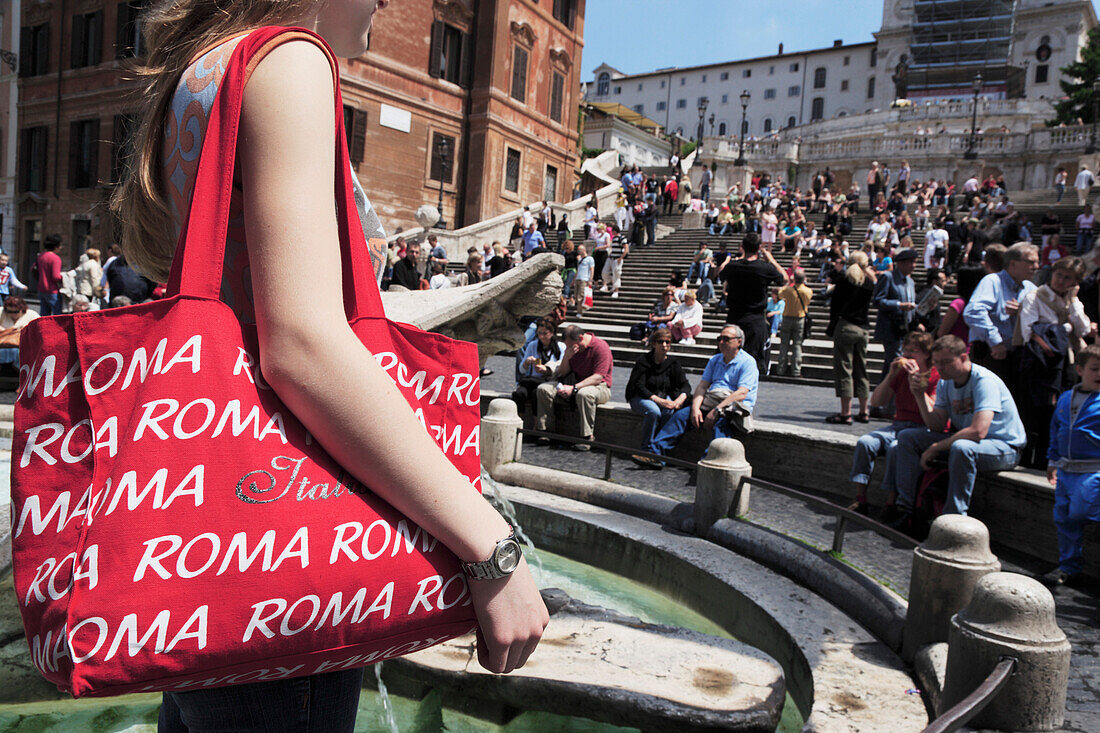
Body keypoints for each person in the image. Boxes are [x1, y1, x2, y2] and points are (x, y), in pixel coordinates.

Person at [110, 4, 547, 725]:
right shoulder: (291, 62)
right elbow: (304, 347)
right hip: (278, 565)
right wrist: (492, 547)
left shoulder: (205, 70)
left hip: (208, 557)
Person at [892, 336, 1026, 519]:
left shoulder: (984, 381)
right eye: (937, 362)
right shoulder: (946, 382)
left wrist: (935, 448)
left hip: (1004, 447)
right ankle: (905, 509)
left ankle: (953, 519)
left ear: (963, 357)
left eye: (946, 362)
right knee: (908, 437)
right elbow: (937, 425)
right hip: (973, 442)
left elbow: (978, 431)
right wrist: (919, 395)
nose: (940, 368)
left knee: (962, 448)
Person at [632, 325, 759, 468]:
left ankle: (710, 462)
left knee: (721, 425)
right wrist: (695, 408)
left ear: (739, 341)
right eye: (720, 339)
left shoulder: (747, 362)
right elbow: (702, 386)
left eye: (726, 339)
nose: (721, 342)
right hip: (712, 401)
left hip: (732, 406)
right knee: (680, 416)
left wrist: (716, 411)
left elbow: (742, 393)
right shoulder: (715, 360)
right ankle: (655, 455)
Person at [848, 332, 940, 516]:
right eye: (905, 350)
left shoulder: (936, 376)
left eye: (914, 351)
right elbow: (877, 401)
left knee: (896, 449)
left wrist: (917, 381)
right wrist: (890, 375)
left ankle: (891, 502)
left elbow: (934, 412)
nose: (907, 355)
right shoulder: (900, 373)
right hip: (898, 425)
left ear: (926, 354)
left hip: (921, 429)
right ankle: (861, 499)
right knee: (866, 442)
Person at [1015, 256, 1093, 467]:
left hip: (1064, 365)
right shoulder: (1036, 297)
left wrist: (1074, 301)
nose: (1061, 280)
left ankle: (1046, 460)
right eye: (1059, 275)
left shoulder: (1070, 302)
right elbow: (1028, 331)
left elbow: (1084, 329)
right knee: (1035, 413)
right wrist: (1065, 329)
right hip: (1041, 365)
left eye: (1068, 278)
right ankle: (1027, 460)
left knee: (1057, 413)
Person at [1045, 344, 1100, 588]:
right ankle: (1068, 566)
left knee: (1082, 510)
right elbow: (1056, 429)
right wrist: (1052, 460)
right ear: (1080, 369)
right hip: (1067, 470)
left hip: (1093, 469)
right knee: (1064, 517)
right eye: (1095, 369)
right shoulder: (1066, 398)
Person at [963, 242, 1039, 383]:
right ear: (1013, 263)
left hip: (1019, 357)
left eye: (1037, 262)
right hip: (992, 354)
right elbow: (973, 312)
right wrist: (995, 341)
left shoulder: (1030, 288)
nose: (1036, 267)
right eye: (1031, 262)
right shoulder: (993, 282)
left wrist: (1023, 312)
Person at [535, 324, 613, 450]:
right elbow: (564, 372)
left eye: (570, 345)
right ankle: (546, 430)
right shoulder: (573, 349)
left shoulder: (600, 347)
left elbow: (598, 377)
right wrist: (566, 356)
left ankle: (587, 437)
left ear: (581, 338)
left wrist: (574, 388)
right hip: (575, 381)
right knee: (543, 389)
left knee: (584, 394)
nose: (570, 348)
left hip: (599, 387)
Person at [720, 232, 786, 373]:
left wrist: (727, 262)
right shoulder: (764, 268)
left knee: (727, 362)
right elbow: (784, 278)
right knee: (753, 365)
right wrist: (771, 259)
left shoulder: (733, 266)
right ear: (759, 248)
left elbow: (720, 274)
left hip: (734, 319)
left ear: (742, 247)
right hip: (755, 320)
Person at [826, 251, 878, 424]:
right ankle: (864, 411)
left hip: (846, 326)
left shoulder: (843, 281)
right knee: (861, 369)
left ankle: (845, 413)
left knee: (844, 369)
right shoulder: (869, 283)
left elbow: (835, 307)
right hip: (863, 329)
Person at [626, 327, 692, 459]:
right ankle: (646, 449)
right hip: (641, 397)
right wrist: (659, 400)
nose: (664, 345)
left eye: (667, 342)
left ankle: (657, 450)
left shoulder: (673, 363)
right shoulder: (643, 361)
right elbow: (639, 386)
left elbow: (685, 385)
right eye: (661, 342)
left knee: (668, 411)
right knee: (653, 411)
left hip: (662, 397)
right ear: (654, 343)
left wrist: (679, 399)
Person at [872, 248, 919, 380]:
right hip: (891, 328)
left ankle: (882, 396)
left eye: (915, 262)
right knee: (899, 362)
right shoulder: (888, 277)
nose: (913, 266)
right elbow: (878, 301)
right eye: (910, 262)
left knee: (890, 366)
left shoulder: (910, 282)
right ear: (901, 263)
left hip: (905, 328)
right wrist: (899, 305)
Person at [512, 317, 565, 415]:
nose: (541, 337)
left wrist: (547, 370)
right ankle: (519, 418)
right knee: (519, 394)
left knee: (537, 393)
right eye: (539, 333)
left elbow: (562, 368)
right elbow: (522, 370)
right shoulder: (533, 345)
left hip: (550, 382)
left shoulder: (560, 347)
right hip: (533, 381)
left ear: (552, 332)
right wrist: (526, 363)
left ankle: (537, 424)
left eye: (545, 333)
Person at [775, 270, 812, 377]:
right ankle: (796, 370)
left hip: (787, 318)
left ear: (794, 278)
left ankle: (781, 369)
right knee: (797, 345)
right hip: (799, 319)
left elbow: (780, 294)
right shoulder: (808, 291)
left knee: (784, 345)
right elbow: (808, 301)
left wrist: (789, 282)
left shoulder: (788, 290)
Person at [35, 235, 64, 316]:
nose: (61, 247)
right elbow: (56, 276)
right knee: (57, 315)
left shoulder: (40, 256)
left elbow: (34, 269)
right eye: (60, 245)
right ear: (56, 246)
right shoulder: (55, 258)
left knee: (44, 315)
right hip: (52, 290)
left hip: (41, 288)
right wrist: (65, 277)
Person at [601, 224, 629, 298]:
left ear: (615, 231)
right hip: (611, 258)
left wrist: (621, 258)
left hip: (617, 259)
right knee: (604, 272)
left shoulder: (622, 238)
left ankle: (616, 291)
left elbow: (626, 248)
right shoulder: (613, 238)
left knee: (616, 274)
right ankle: (613, 284)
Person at [574, 244, 594, 317]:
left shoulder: (590, 259)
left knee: (580, 296)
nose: (579, 252)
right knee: (576, 296)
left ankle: (579, 312)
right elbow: (578, 269)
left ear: (584, 250)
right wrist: (574, 279)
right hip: (578, 278)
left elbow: (592, 269)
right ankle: (583, 307)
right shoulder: (579, 259)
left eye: (580, 250)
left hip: (584, 279)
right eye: (578, 250)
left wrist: (590, 280)